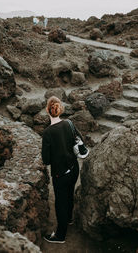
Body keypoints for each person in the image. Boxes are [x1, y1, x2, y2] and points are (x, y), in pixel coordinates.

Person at [42, 96, 84, 244]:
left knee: (60, 202)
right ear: (60, 109)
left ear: (48, 110)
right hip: (74, 169)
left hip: (60, 173)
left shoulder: (47, 133)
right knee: (69, 193)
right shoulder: (69, 123)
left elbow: (46, 160)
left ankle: (60, 235)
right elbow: (79, 140)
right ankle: (70, 218)